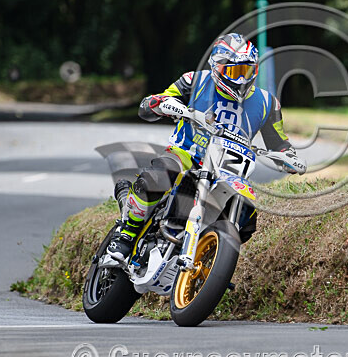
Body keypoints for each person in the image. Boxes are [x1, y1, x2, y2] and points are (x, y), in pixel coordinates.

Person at [107, 33, 306, 262]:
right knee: (159, 176)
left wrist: (289, 157)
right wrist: (161, 104)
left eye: (247, 71)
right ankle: (126, 233)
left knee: (247, 217)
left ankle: (209, 256)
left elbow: (279, 142)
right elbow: (154, 103)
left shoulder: (268, 103)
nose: (242, 79)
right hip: (186, 154)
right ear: (217, 68)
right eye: (235, 72)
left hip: (230, 169)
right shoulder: (194, 81)